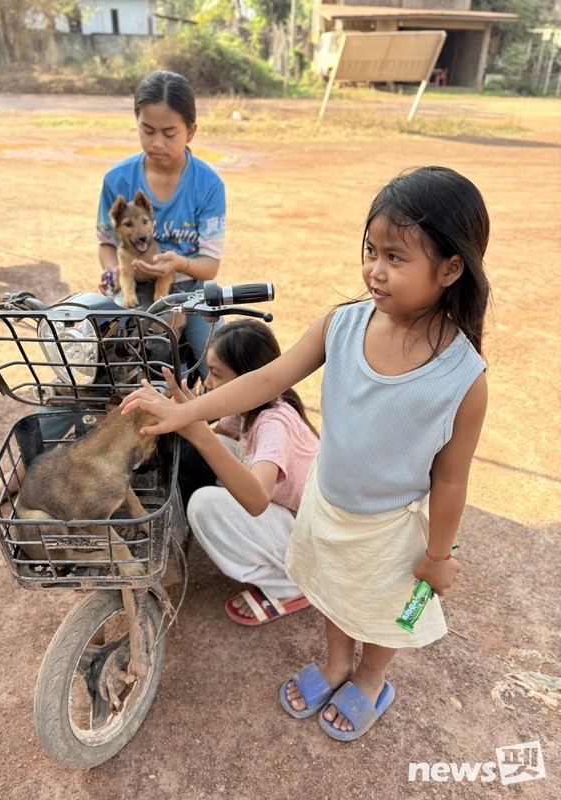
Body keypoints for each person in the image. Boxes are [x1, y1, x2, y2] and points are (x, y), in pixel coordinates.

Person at [119, 165, 490, 741]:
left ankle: (368, 678)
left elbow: (450, 482)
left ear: (450, 267)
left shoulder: (463, 378)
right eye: (371, 250)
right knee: (332, 591)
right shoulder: (341, 326)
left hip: (392, 527)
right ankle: (337, 663)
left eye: (396, 257)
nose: (374, 269)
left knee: (384, 609)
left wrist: (438, 555)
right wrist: (186, 412)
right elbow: (266, 379)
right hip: (326, 506)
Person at [168, 319, 320, 625]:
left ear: (248, 379)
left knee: (204, 504)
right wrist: (191, 413)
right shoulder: (256, 405)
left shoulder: (273, 424)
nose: (207, 382)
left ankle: (291, 585)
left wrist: (197, 432)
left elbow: (257, 500)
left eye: (218, 374)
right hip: (298, 519)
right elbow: (220, 430)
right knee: (216, 447)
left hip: (314, 541)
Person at [97, 69, 226, 378]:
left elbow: (209, 266)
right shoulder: (117, 179)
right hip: (131, 289)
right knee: (88, 365)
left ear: (191, 131)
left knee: (224, 363)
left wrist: (177, 263)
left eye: (169, 133)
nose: (156, 143)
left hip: (189, 290)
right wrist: (114, 272)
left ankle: (220, 424)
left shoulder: (208, 184)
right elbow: (106, 244)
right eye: (147, 130)